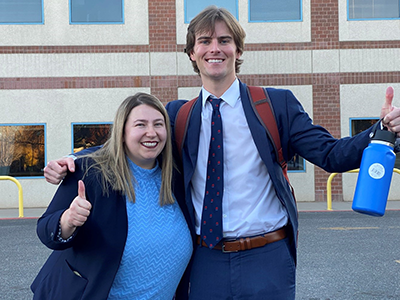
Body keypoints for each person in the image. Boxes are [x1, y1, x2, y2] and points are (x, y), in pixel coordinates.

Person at [43, 6, 400, 300]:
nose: (215, 47)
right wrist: (74, 161)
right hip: (205, 259)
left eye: (225, 40)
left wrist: (380, 130)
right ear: (192, 53)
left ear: (238, 51)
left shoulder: (275, 105)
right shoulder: (177, 115)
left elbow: (331, 154)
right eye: (205, 41)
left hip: (268, 257)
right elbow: (129, 141)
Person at [32, 92, 193, 300]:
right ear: (122, 131)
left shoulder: (176, 175)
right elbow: (46, 230)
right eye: (140, 125)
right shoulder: (90, 172)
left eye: (158, 124)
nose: (151, 132)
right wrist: (67, 221)